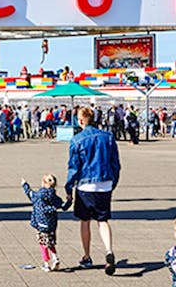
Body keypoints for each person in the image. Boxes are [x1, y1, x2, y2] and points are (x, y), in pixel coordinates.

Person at [65, 107, 121, 276]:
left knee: (85, 221)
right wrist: (113, 182)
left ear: (81, 120)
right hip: (104, 183)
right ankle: (108, 250)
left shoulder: (76, 140)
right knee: (103, 221)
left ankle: (87, 256)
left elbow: (73, 167)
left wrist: (69, 187)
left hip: (85, 185)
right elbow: (116, 164)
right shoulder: (108, 137)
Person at [22, 173, 72, 272]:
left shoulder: (38, 195)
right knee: (50, 242)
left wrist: (25, 184)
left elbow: (30, 193)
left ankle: (46, 263)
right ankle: (55, 257)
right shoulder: (54, 197)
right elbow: (64, 206)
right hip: (52, 224)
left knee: (43, 243)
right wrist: (69, 201)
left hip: (40, 223)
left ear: (43, 183)